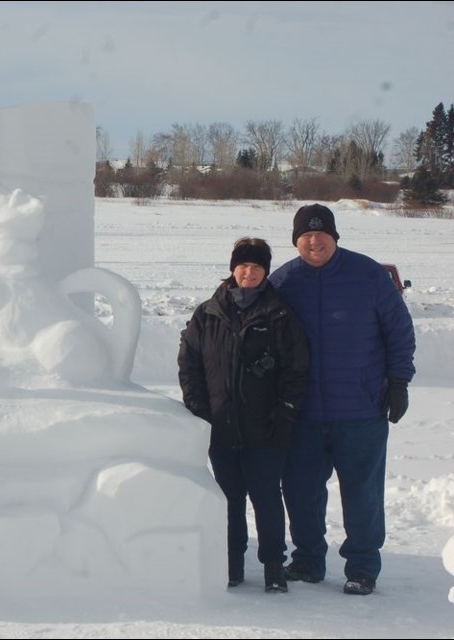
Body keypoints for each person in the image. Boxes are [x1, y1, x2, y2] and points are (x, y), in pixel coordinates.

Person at [269, 204, 416, 596]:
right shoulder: (283, 281)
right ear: (296, 240)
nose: (314, 241)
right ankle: (308, 560)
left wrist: (399, 381)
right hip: (303, 414)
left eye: (321, 234)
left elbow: (399, 331)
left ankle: (363, 567)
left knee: (363, 494)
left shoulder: (367, 275)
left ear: (334, 237)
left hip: (361, 410)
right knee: (299, 491)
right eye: (306, 236)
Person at [178, 237, 310, 592]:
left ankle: (273, 567)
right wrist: (198, 409)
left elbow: (296, 371)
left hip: (266, 429)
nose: (249, 272)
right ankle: (231, 563)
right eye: (243, 266)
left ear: (265, 271)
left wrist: (284, 413)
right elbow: (189, 363)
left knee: (266, 497)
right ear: (232, 269)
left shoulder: (280, 314)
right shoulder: (208, 313)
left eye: (256, 267)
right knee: (228, 499)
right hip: (220, 427)